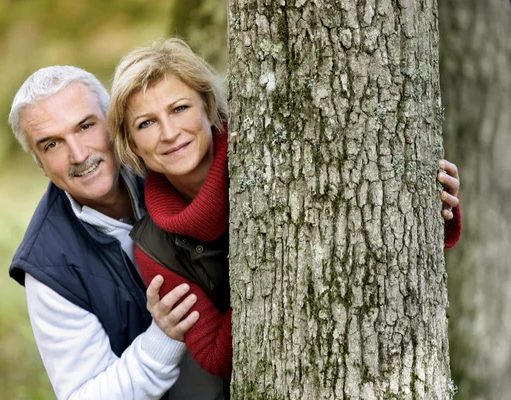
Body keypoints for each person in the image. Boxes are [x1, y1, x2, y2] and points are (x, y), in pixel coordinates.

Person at [107, 38, 463, 380]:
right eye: (146, 123)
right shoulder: (153, 246)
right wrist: (268, 264)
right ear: (132, 144)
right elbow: (215, 356)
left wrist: (434, 204)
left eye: (179, 108)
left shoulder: (269, 150)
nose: (169, 133)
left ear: (207, 106)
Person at [7, 66, 225, 400]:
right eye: (52, 144)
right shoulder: (48, 266)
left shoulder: (166, 160)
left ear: (114, 120)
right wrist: (162, 337)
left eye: (86, 126)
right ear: (39, 162)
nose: (79, 155)